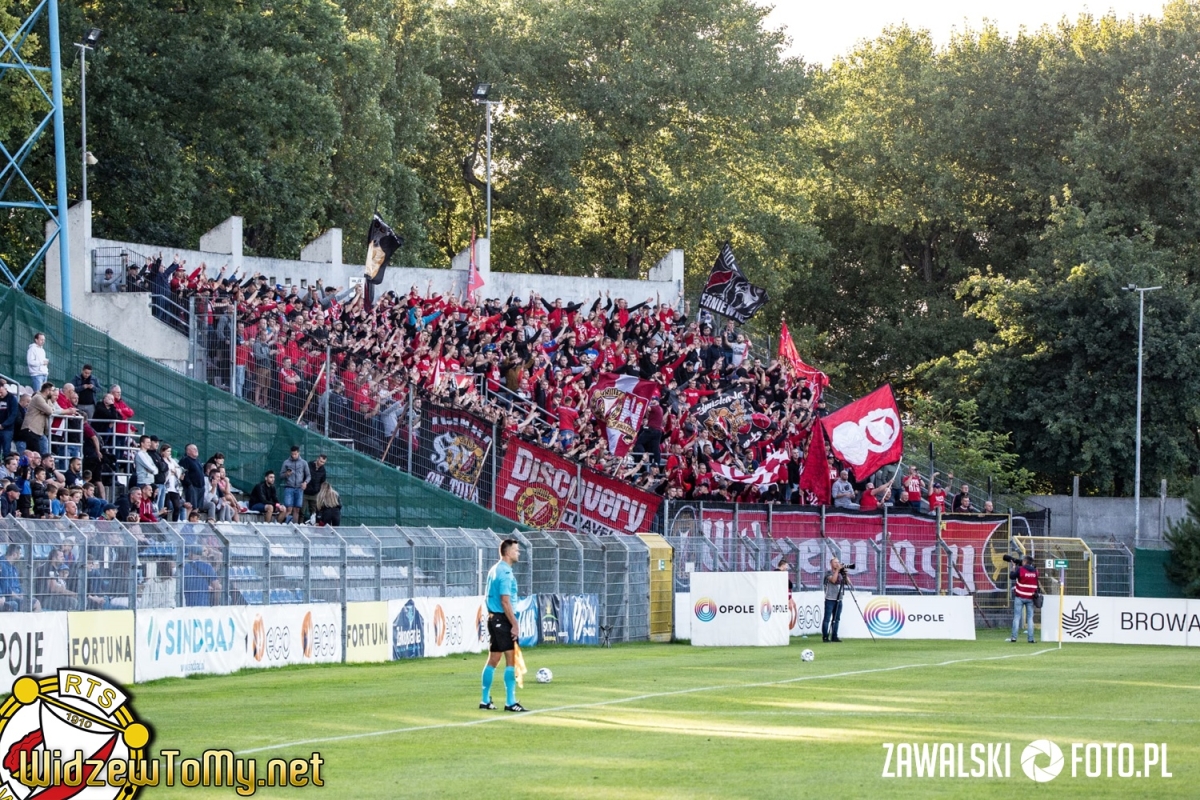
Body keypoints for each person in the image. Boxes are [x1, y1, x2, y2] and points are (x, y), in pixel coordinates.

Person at [480, 538, 527, 713]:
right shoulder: (505, 573)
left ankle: (485, 700)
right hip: (502, 619)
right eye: (516, 550)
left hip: (493, 619)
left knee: (493, 659)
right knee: (511, 659)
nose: (518, 553)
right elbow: (505, 601)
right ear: (507, 552)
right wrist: (514, 624)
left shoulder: (494, 569)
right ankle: (510, 702)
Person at [20, 382, 57, 456]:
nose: (53, 393)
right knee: (34, 454)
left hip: (39, 432)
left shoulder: (47, 400)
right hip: (31, 429)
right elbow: (50, 411)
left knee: (38, 454)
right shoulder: (38, 397)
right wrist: (47, 411)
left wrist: (47, 411)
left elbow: (53, 410)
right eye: (52, 391)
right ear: (47, 391)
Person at [1009, 554, 1039, 643]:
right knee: (1030, 618)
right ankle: (1030, 638)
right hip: (1030, 597)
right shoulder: (1035, 571)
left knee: (1017, 617)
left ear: (1025, 561)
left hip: (1020, 596)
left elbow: (1012, 576)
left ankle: (1014, 637)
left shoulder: (1021, 570)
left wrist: (1013, 567)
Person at [280, 446, 310, 523]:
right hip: (289, 487)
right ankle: (285, 523)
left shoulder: (304, 463)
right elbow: (281, 475)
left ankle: (295, 525)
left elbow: (308, 476)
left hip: (299, 488)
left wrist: (305, 482)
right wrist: (286, 474)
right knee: (288, 508)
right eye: (292, 454)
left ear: (298, 453)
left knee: (297, 509)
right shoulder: (286, 462)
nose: (294, 456)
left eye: (295, 454)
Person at [821, 557, 844, 643]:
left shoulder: (840, 573)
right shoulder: (828, 573)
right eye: (835, 562)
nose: (837, 564)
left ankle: (834, 636)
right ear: (831, 564)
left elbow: (848, 583)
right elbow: (834, 580)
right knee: (827, 618)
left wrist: (844, 573)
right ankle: (825, 636)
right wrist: (837, 570)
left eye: (838, 562)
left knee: (836, 618)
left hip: (839, 598)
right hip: (830, 599)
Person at [303, 453, 328, 519]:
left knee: (313, 513)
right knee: (301, 511)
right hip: (305, 492)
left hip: (315, 494)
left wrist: (318, 490)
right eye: (320, 461)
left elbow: (323, 482)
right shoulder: (309, 465)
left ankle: (313, 526)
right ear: (317, 459)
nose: (321, 463)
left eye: (323, 462)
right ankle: (299, 525)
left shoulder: (323, 470)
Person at [0, 382, 19, 457]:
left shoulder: (12, 399)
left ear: (5, 389)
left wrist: (3, 425)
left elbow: (13, 414)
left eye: (1, 392)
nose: (0, 394)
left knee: (6, 450)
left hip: (7, 429)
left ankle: (6, 466)